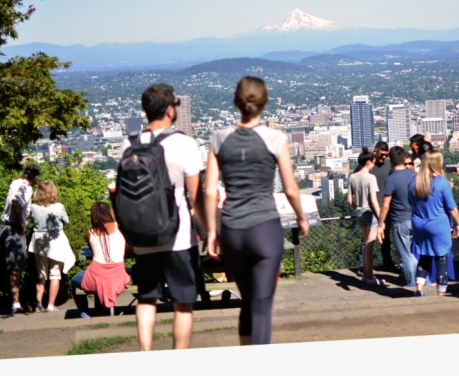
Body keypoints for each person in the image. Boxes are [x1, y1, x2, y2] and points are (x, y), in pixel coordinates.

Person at [204, 76, 309, 345]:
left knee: (248, 300)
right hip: (264, 227)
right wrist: (301, 218)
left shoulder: (219, 138)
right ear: (265, 103)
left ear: (236, 102)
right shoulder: (275, 138)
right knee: (262, 304)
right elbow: (291, 189)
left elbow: (210, 191)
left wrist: (212, 232)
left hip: (232, 229)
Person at [121, 83, 206, 351]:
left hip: (143, 235)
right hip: (178, 236)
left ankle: (146, 355)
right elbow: (197, 196)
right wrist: (209, 230)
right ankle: (177, 360)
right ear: (170, 110)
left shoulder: (130, 144)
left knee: (147, 297)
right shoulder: (184, 143)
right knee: (183, 303)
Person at [408, 151, 459, 297]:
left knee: (424, 256)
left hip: (419, 224)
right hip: (438, 224)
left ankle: (419, 289)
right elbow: (451, 207)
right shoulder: (442, 182)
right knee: (441, 258)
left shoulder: (413, 181)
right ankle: (441, 292)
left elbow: (411, 205)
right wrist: (458, 223)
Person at [71, 202, 132, 318]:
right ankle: (98, 313)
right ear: (110, 212)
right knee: (100, 280)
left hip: (95, 280)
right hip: (118, 280)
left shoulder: (89, 234)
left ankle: (85, 315)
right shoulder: (121, 228)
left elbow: (93, 250)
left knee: (74, 280)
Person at [0, 164, 40, 314]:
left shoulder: (15, 182)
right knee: (17, 267)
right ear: (35, 177)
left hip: (6, 227)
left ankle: (15, 302)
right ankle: (15, 303)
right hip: (13, 228)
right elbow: (16, 202)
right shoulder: (26, 188)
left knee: (13, 267)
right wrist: (22, 223)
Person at [28, 179, 75, 312]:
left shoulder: (33, 207)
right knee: (55, 274)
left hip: (39, 240)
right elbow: (66, 221)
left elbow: (31, 221)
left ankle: (38, 304)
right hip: (56, 240)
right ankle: (50, 305)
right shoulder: (59, 206)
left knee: (41, 274)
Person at [377, 146, 418, 287]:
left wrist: (380, 224)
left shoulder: (391, 179)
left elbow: (385, 205)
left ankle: (410, 285)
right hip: (416, 219)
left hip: (400, 220)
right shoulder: (414, 175)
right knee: (412, 254)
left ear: (391, 161)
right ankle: (419, 281)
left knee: (405, 256)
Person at [347, 147, 384, 286]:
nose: (374, 165)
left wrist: (356, 208)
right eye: (373, 163)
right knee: (370, 246)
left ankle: (366, 276)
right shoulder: (371, 178)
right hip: (370, 213)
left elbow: (349, 200)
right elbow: (374, 200)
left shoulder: (352, 177)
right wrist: (381, 218)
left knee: (366, 246)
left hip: (360, 213)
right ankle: (369, 277)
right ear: (368, 162)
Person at [369, 141, 395, 272]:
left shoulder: (389, 165)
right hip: (370, 207)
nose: (384, 157)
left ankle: (388, 262)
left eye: (386, 155)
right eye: (382, 154)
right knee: (368, 238)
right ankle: (365, 265)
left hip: (386, 207)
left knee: (386, 237)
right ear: (376, 151)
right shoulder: (369, 164)